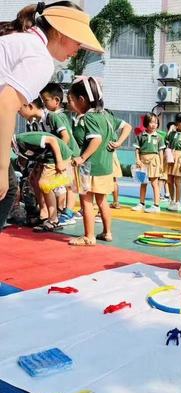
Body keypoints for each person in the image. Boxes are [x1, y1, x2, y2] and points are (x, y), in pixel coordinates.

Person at [0, 1, 103, 231]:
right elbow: (5, 105)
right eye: (77, 41)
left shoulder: (22, 41)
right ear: (58, 32)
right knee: (6, 191)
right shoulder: (40, 58)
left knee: (10, 189)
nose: (78, 49)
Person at [68, 76, 131, 245]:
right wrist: (118, 143)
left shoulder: (89, 117)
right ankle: (107, 232)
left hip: (90, 166)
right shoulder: (106, 115)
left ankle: (89, 236)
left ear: (82, 100)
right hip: (106, 166)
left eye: (72, 99)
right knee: (103, 201)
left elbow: (96, 139)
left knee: (86, 201)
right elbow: (127, 127)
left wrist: (82, 157)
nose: (70, 103)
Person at [12, 131, 72, 231]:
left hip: (56, 156)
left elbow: (52, 140)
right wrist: (35, 169)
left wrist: (59, 161)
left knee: (44, 184)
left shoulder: (23, 140)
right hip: (45, 158)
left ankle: (53, 220)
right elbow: (37, 152)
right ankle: (44, 214)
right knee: (34, 180)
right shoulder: (16, 146)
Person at [40, 82, 80, 225]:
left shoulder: (56, 116)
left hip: (70, 154)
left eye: (46, 100)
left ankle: (68, 213)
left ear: (56, 100)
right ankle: (66, 211)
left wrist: (60, 158)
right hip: (70, 153)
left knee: (70, 184)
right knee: (69, 183)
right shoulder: (60, 115)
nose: (44, 103)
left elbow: (65, 137)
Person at [132, 113, 165, 213]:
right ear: (146, 123)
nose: (154, 124)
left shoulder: (159, 137)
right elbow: (137, 150)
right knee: (143, 182)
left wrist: (161, 164)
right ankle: (141, 203)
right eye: (151, 122)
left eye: (156, 122)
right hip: (143, 161)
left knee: (155, 183)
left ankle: (156, 205)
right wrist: (138, 160)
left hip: (154, 161)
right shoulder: (140, 136)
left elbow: (161, 151)